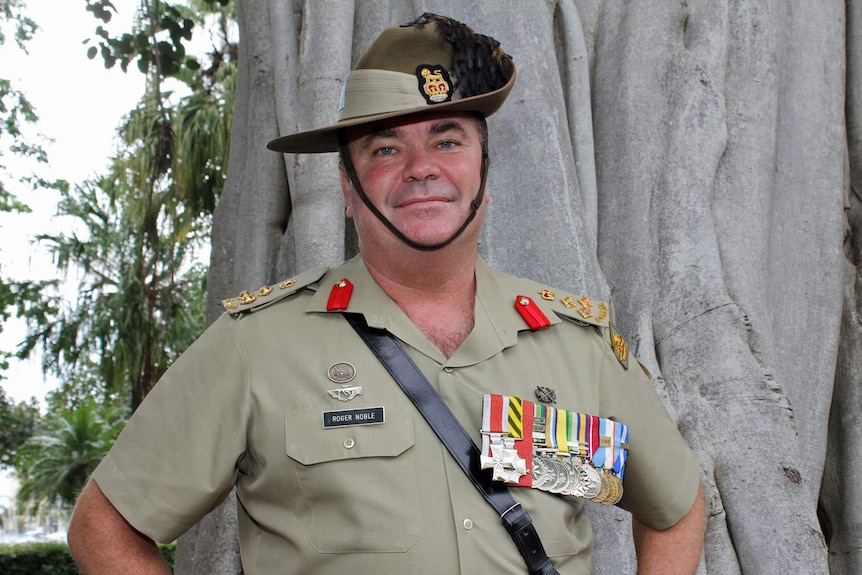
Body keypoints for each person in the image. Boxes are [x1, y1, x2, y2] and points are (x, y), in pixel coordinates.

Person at [68, 13, 705, 575]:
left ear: (485, 166)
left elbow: (674, 506)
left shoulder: (575, 345)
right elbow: (106, 525)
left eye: (448, 139)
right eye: (385, 147)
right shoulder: (257, 346)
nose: (421, 166)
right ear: (348, 189)